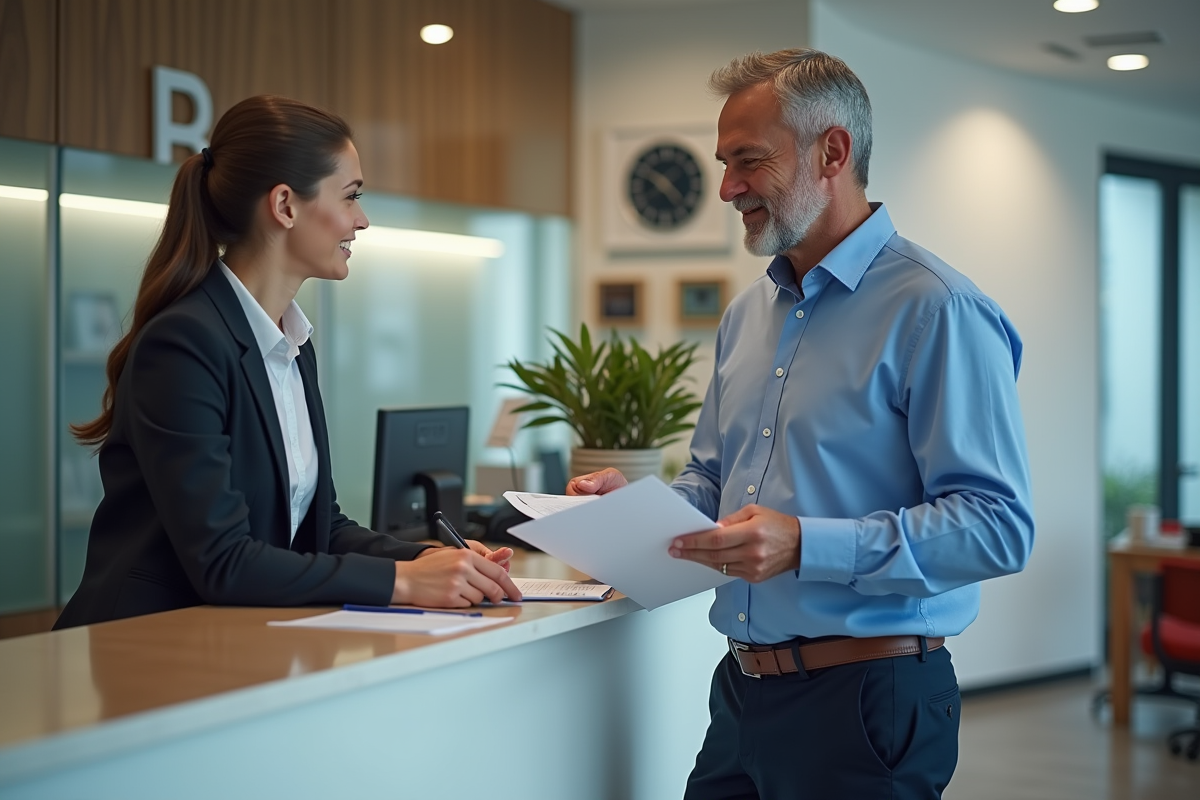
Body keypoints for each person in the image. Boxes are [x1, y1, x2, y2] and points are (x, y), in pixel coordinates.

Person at [568, 49, 1034, 799]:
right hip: (743, 692)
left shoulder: (938, 308)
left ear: (833, 152)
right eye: (724, 163)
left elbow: (997, 527)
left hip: (869, 700)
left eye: (748, 161)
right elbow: (713, 484)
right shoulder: (747, 314)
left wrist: (805, 545)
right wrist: (638, 512)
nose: (727, 188)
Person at [55, 96, 520, 630]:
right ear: (285, 206)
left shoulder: (292, 342)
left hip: (228, 641)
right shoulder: (183, 344)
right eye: (351, 197)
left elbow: (321, 528)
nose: (361, 221)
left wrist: (430, 559)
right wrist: (405, 584)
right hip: (146, 642)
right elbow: (224, 562)